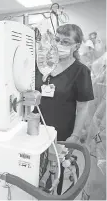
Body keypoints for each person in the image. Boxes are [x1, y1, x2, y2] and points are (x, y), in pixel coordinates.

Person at [34, 24, 94, 195]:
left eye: (66, 41)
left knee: (53, 179)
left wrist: (74, 136)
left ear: (76, 46)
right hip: (34, 130)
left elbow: (83, 108)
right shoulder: (42, 65)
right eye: (57, 40)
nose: (59, 44)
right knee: (31, 176)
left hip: (60, 135)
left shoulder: (80, 71)